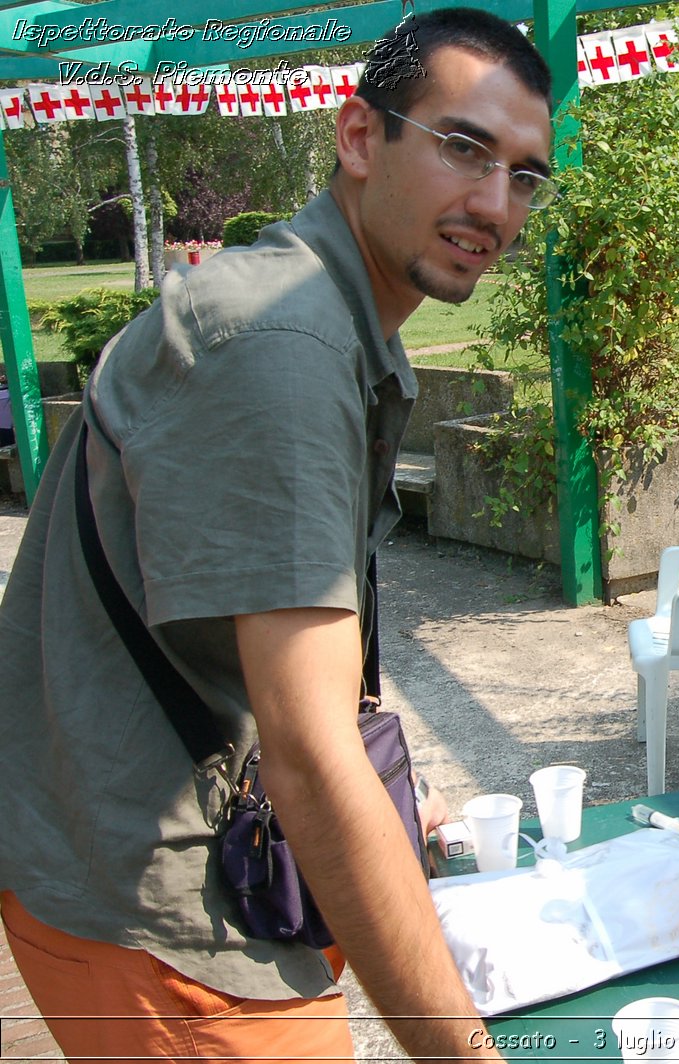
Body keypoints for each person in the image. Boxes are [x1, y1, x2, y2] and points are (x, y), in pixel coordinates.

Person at [0, 9, 557, 1061]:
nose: (493, 202)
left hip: (109, 843)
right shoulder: (284, 346)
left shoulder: (302, 306)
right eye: (463, 147)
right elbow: (308, 753)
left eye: (525, 175)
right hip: (163, 914)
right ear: (358, 138)